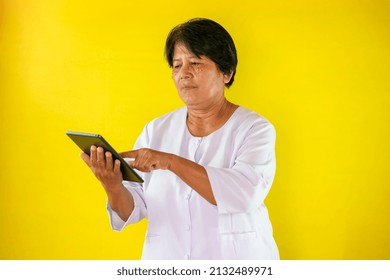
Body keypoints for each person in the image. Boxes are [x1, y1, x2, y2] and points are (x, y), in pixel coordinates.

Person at [81, 18, 279, 260]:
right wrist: (112, 185)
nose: (184, 74)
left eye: (195, 63)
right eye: (177, 66)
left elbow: (243, 194)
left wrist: (171, 162)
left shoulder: (254, 129)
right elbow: (132, 208)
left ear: (226, 73)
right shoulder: (156, 129)